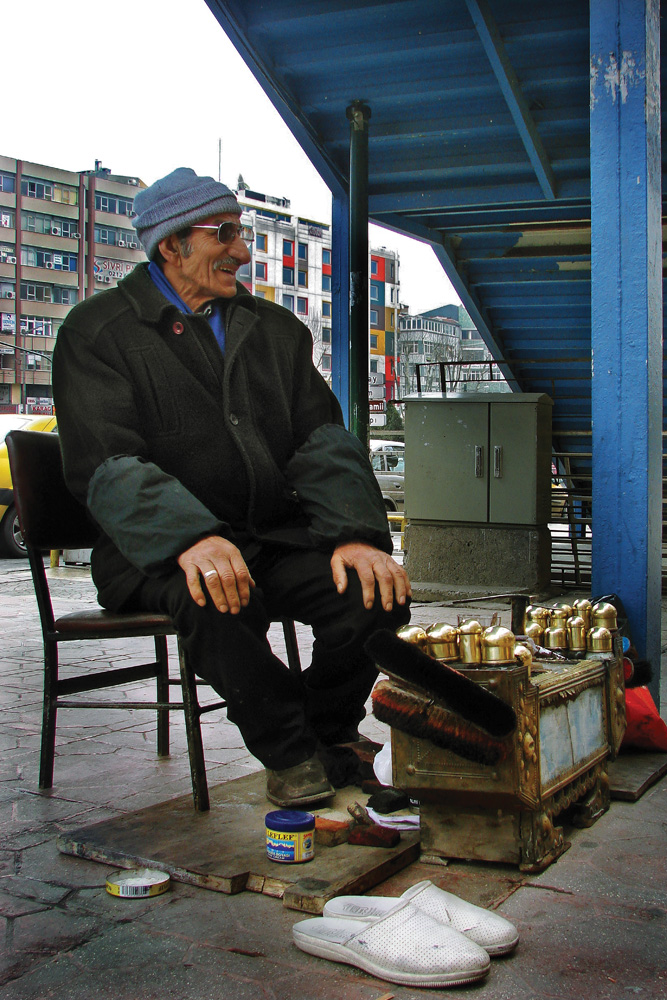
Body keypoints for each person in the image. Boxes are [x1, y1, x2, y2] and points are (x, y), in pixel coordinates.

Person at [52, 167, 411, 808]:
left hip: (266, 537)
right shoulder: (98, 333)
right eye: (224, 234)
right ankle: (292, 751)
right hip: (154, 552)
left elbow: (321, 441)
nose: (242, 252)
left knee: (375, 592)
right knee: (215, 595)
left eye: (240, 233)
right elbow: (107, 461)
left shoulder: (274, 331)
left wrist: (355, 536)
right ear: (171, 245)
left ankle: (329, 736)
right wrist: (189, 537)